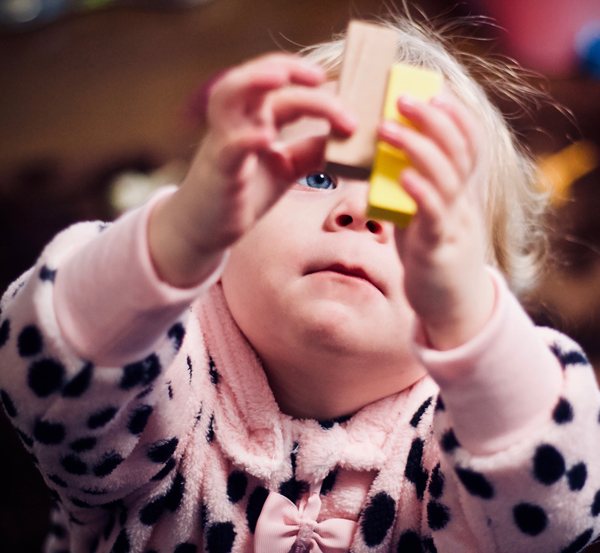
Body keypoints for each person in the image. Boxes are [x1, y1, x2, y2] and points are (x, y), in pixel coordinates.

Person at [1, 14, 599, 553]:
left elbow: (558, 522)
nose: (360, 212)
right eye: (316, 176)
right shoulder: (162, 367)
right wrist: (178, 237)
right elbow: (46, 370)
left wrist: (476, 329)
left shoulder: (465, 443)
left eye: (414, 205)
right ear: (227, 227)